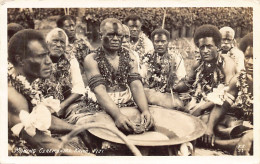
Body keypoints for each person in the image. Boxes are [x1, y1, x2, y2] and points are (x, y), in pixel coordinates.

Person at [8, 29, 92, 156]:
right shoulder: (12, 95)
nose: (48, 62)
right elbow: (41, 141)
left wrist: (77, 129)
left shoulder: (23, 84)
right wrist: (87, 157)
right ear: (20, 60)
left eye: (47, 55)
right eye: (41, 56)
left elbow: (42, 118)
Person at [84, 18, 154, 133]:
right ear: (101, 35)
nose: (116, 39)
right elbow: (99, 90)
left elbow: (136, 84)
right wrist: (117, 116)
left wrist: (145, 110)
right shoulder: (92, 59)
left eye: (119, 35)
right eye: (111, 35)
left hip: (127, 104)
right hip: (100, 106)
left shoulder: (129, 56)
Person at [200, 32, 253, 155]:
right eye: (247, 57)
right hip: (245, 124)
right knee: (206, 121)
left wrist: (251, 136)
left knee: (247, 140)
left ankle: (215, 144)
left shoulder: (227, 63)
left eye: (255, 57)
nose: (250, 62)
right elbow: (223, 105)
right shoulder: (240, 78)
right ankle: (219, 141)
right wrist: (209, 128)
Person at [45, 28, 86, 119]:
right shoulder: (39, 59)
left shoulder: (71, 59)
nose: (59, 45)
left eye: (62, 42)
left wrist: (61, 106)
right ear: (47, 43)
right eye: (55, 41)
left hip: (66, 103)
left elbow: (79, 88)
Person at [141, 28, 185, 109]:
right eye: (157, 41)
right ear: (153, 42)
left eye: (163, 41)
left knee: (177, 105)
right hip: (150, 91)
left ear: (168, 42)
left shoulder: (176, 57)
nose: (160, 44)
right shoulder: (147, 57)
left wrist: (174, 86)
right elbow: (142, 77)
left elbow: (182, 79)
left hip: (169, 93)